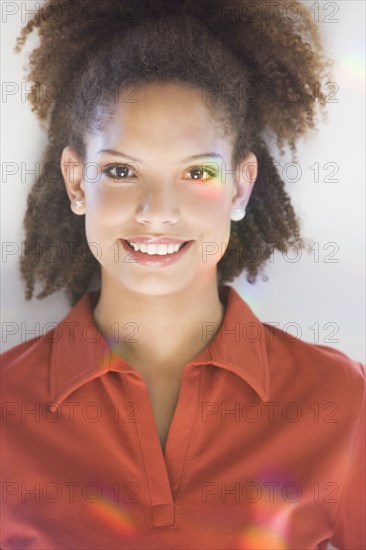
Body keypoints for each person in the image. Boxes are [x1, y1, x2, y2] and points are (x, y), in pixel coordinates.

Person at [1, 1, 364, 548]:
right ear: (76, 183)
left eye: (197, 172)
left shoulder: (340, 400)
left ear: (240, 187)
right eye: (121, 171)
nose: (156, 211)